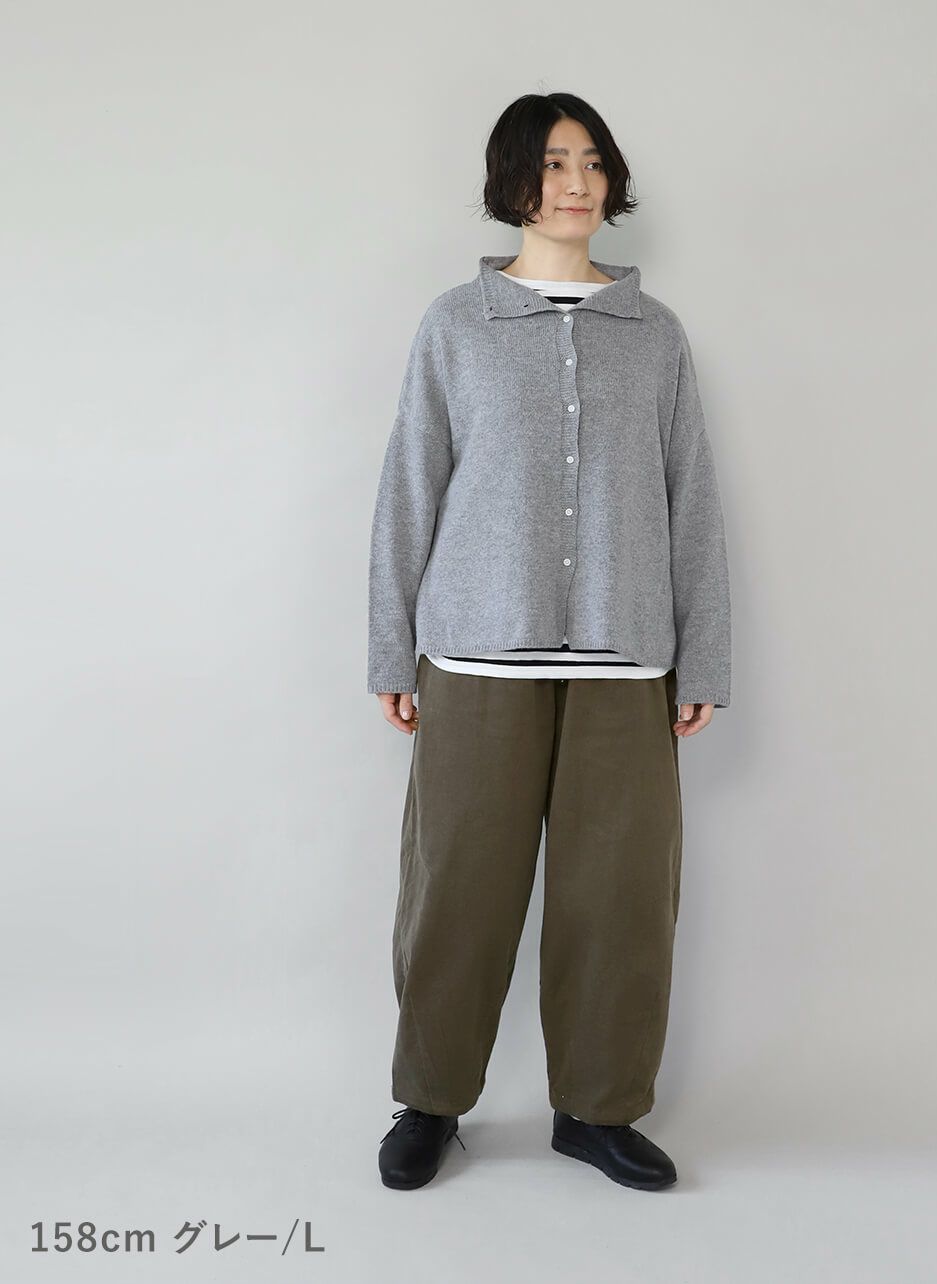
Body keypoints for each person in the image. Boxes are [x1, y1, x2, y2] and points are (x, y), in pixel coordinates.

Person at [368, 91, 731, 1191]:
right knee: (457, 892)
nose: (575, 183)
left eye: (591, 162)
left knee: (619, 899)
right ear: (512, 181)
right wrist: (390, 650)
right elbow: (410, 490)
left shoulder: (653, 335)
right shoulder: (455, 326)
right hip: (474, 657)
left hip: (627, 660)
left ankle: (597, 1109)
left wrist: (703, 657)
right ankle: (431, 1100)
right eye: (551, 162)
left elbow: (690, 502)